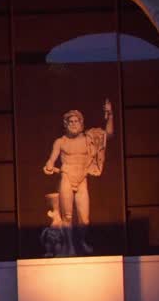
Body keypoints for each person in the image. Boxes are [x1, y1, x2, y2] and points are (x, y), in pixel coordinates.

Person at [41, 100, 113, 256]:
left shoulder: (89, 139)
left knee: (85, 219)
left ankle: (81, 241)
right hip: (66, 176)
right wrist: (48, 166)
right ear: (66, 124)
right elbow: (51, 160)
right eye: (70, 121)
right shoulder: (60, 142)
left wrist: (110, 116)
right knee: (67, 216)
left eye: (76, 121)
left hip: (82, 179)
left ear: (81, 123)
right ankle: (70, 247)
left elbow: (108, 134)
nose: (73, 124)